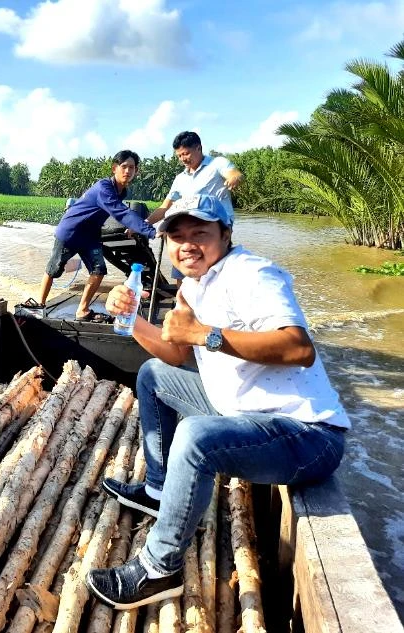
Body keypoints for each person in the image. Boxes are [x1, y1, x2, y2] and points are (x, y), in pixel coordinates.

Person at [86, 194, 349, 609]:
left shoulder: (253, 274)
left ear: (226, 234)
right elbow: (175, 355)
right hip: (243, 414)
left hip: (307, 436)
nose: (187, 243)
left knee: (194, 436)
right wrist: (131, 320)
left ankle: (160, 569)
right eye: (177, 235)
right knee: (154, 375)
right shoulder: (192, 284)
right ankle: (158, 491)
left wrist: (207, 334)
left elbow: (300, 348)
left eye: (200, 233)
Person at [31, 150, 155, 322]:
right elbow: (120, 212)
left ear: (136, 171)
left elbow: (118, 211)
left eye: (131, 167)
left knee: (98, 270)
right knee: (54, 268)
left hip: (90, 237)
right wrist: (150, 230)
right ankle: (40, 305)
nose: (127, 171)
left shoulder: (121, 191)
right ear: (114, 168)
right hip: (71, 232)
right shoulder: (104, 187)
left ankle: (82, 310)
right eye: (124, 166)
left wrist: (132, 226)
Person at [146, 131, 244, 288]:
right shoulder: (180, 179)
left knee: (214, 270)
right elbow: (165, 207)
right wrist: (144, 223)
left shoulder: (216, 164)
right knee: (183, 268)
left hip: (216, 226)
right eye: (179, 156)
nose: (183, 159)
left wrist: (234, 178)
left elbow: (234, 173)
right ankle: (183, 304)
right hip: (187, 227)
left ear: (198, 148)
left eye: (186, 153)